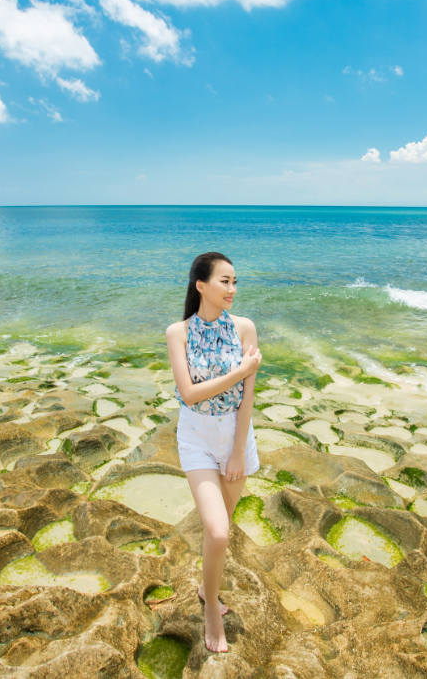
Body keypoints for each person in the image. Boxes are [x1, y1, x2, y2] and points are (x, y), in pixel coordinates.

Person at [165, 251, 262, 653]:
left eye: (235, 281)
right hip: (197, 437)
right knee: (218, 531)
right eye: (225, 281)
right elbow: (188, 394)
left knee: (220, 532)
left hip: (237, 437)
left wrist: (238, 452)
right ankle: (208, 610)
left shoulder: (245, 328)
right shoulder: (178, 332)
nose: (233, 289)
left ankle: (208, 589)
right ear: (200, 285)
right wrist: (240, 372)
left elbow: (248, 400)